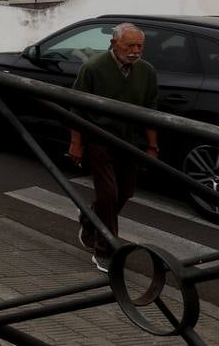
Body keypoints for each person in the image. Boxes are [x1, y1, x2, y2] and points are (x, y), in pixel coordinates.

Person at [68, 22, 159, 273]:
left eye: (139, 45)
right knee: (108, 194)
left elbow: (150, 110)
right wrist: (76, 143)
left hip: (130, 142)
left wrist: (152, 145)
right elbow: (76, 108)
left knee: (125, 192)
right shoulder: (94, 68)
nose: (135, 51)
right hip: (100, 139)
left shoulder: (146, 71)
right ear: (114, 43)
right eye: (129, 45)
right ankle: (105, 249)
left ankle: (89, 218)